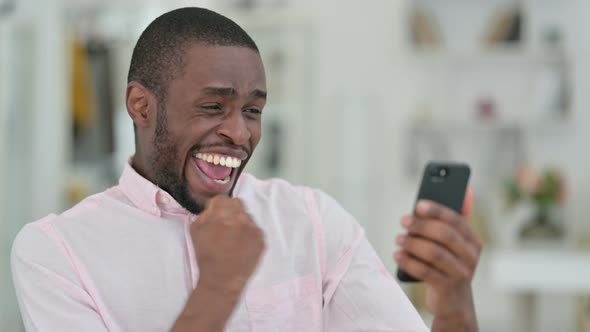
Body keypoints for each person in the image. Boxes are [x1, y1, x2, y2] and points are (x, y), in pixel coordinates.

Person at [11, 7, 482, 332]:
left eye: (253, 111)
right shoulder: (54, 253)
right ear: (141, 105)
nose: (239, 133)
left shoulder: (313, 221)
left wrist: (456, 301)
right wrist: (219, 287)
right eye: (213, 105)